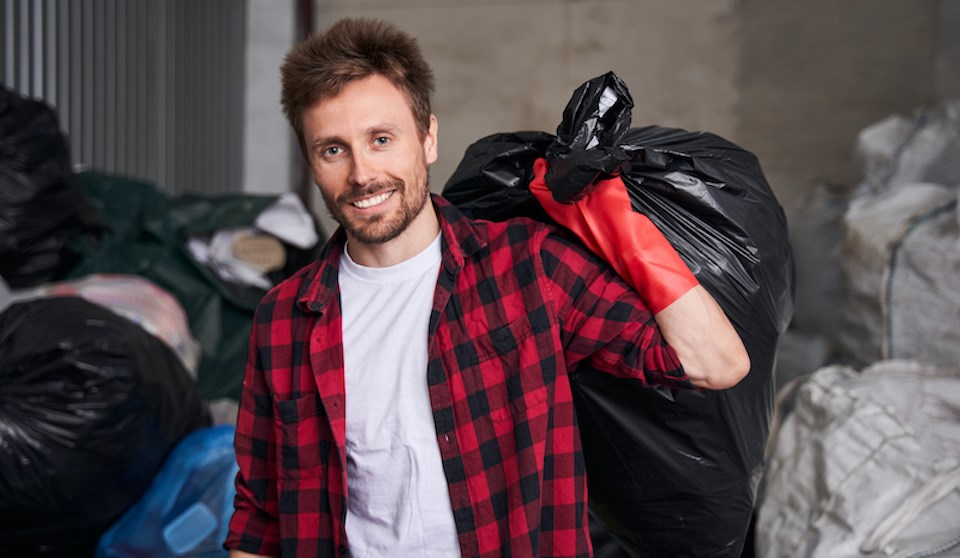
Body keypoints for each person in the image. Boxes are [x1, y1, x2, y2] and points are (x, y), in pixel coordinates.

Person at [225, 17, 748, 558]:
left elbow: (715, 363)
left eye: (381, 139)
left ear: (427, 138)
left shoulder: (528, 268)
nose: (362, 174)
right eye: (333, 150)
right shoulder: (284, 317)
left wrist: (617, 223)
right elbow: (259, 519)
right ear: (310, 162)